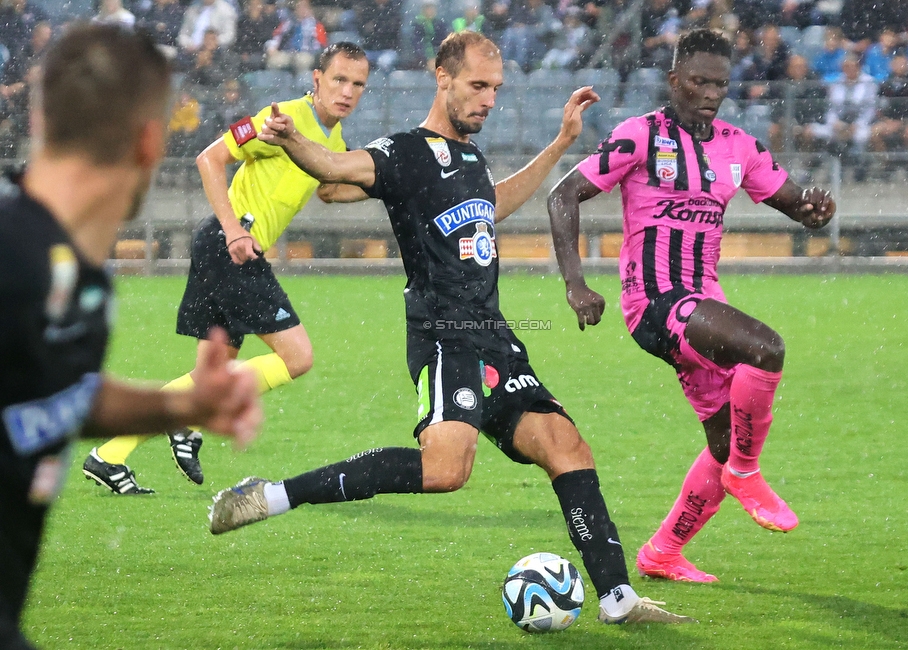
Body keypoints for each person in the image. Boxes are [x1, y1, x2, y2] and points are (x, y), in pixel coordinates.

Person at [209, 31, 695, 626]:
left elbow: (492, 205)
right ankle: (271, 495)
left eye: (496, 89)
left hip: (496, 336)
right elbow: (336, 166)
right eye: (478, 86)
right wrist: (293, 141)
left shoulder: (471, 156)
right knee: (446, 470)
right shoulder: (405, 152)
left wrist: (560, 142)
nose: (489, 99)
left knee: (567, 447)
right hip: (445, 335)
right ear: (442, 77)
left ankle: (618, 599)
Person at [0, 24, 261, 649]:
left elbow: (51, 394)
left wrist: (180, 406)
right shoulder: (12, 257)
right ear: (150, 142)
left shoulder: (79, 277)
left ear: (39, 118)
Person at [546, 29, 835, 583]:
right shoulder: (640, 137)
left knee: (723, 441)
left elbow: (797, 204)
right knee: (765, 348)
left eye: (719, 83)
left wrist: (816, 209)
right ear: (675, 80)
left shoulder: (739, 146)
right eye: (698, 80)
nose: (709, 91)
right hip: (654, 303)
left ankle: (662, 553)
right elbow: (564, 194)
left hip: (703, 303)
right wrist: (575, 284)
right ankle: (747, 474)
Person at [81, 42, 369, 494]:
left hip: (223, 244)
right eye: (339, 79)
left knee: (209, 376)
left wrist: (389, 186)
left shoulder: (332, 140)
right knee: (298, 357)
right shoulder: (279, 118)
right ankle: (188, 419)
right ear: (316, 79)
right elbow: (209, 158)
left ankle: (110, 454)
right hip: (230, 244)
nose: (348, 91)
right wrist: (235, 230)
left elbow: (331, 191)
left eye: (357, 84)